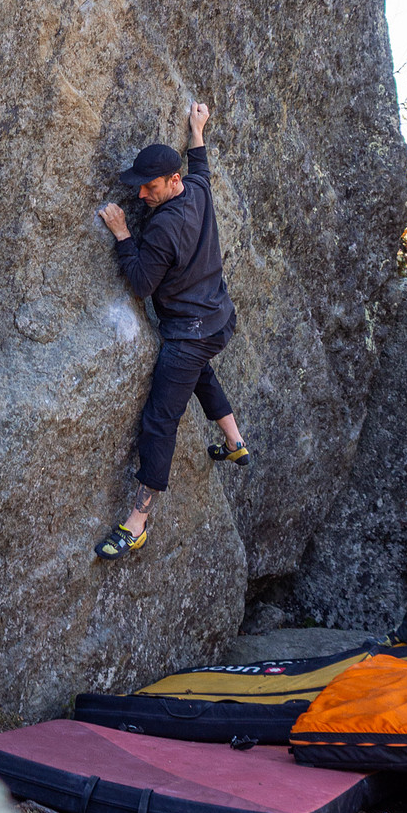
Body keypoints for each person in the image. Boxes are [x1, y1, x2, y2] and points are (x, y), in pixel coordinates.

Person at [94, 101, 250, 560]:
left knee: (160, 422)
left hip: (189, 334)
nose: (142, 194)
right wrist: (197, 128)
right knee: (199, 371)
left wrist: (123, 234)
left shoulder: (163, 228)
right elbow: (201, 163)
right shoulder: (197, 188)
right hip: (219, 319)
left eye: (150, 187)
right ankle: (235, 441)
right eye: (140, 186)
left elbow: (142, 283)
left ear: (172, 180)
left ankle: (136, 524)